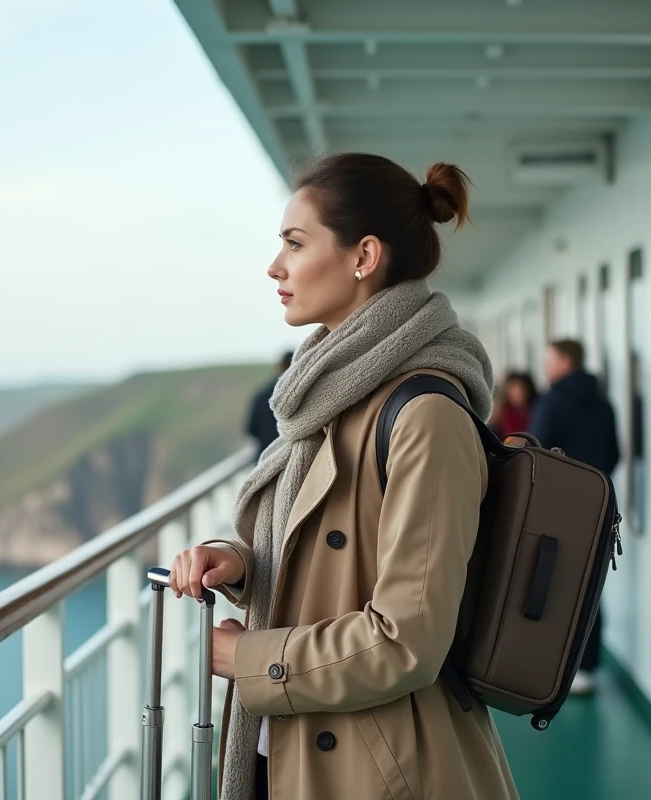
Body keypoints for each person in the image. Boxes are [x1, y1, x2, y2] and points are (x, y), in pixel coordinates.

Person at [168, 154, 518, 800]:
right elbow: (329, 560)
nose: (276, 266)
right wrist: (242, 564)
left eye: (295, 244)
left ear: (363, 257)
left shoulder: (425, 416)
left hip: (381, 768)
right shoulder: (329, 397)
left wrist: (244, 659)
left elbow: (406, 640)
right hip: (292, 745)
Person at [529, 339, 620, 696]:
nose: (546, 366)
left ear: (565, 362)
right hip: (598, 505)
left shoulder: (553, 401)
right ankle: (587, 666)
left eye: (549, 359)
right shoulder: (604, 403)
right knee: (591, 582)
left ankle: (556, 667)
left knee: (555, 582)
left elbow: (538, 453)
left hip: (557, 507)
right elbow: (614, 454)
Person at [246, 351, 294, 459]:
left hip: (265, 456)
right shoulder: (302, 395)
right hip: (289, 457)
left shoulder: (261, 395)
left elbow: (251, 429)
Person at [489, 371, 537, 441]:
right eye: (513, 389)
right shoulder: (501, 413)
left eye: (520, 388)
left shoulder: (535, 411)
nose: (516, 393)